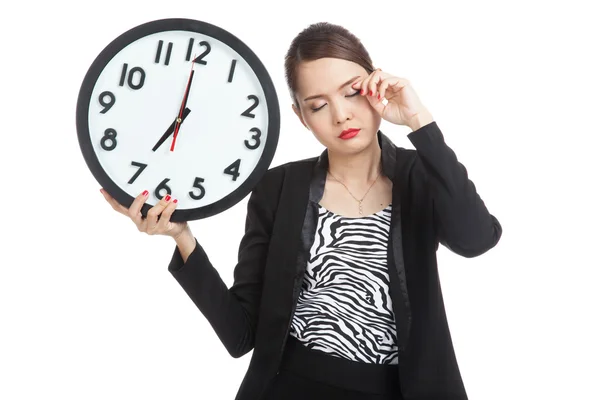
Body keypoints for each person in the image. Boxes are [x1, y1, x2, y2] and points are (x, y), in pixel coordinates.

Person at [100, 22, 502, 400]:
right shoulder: (277, 188)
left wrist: (418, 119)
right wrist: (182, 238)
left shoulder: (421, 175)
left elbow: (476, 239)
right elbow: (241, 336)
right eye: (317, 105)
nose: (341, 114)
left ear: (377, 84)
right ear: (300, 116)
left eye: (352, 92)